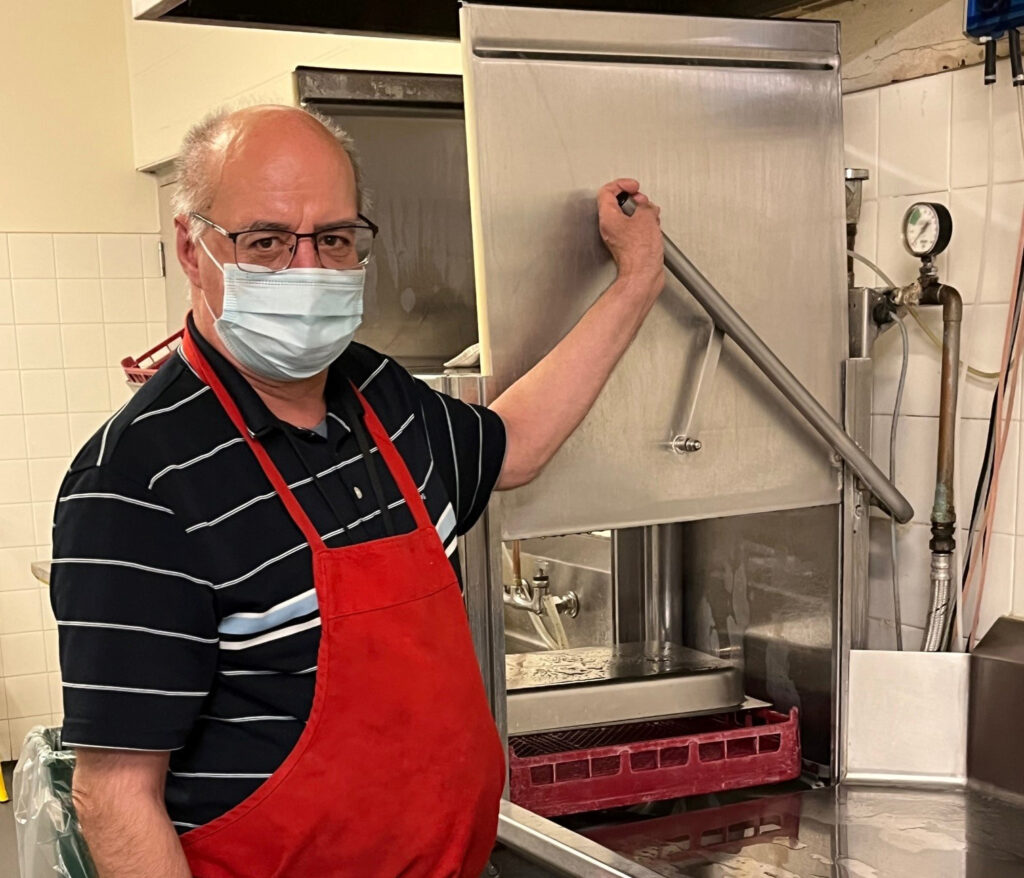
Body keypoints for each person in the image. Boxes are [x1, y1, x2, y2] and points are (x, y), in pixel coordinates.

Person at [51, 105, 664, 878]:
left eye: (335, 239)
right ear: (191, 248)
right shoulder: (135, 483)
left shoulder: (382, 395)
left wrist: (636, 282)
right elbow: (114, 797)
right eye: (266, 242)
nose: (308, 271)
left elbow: (513, 446)